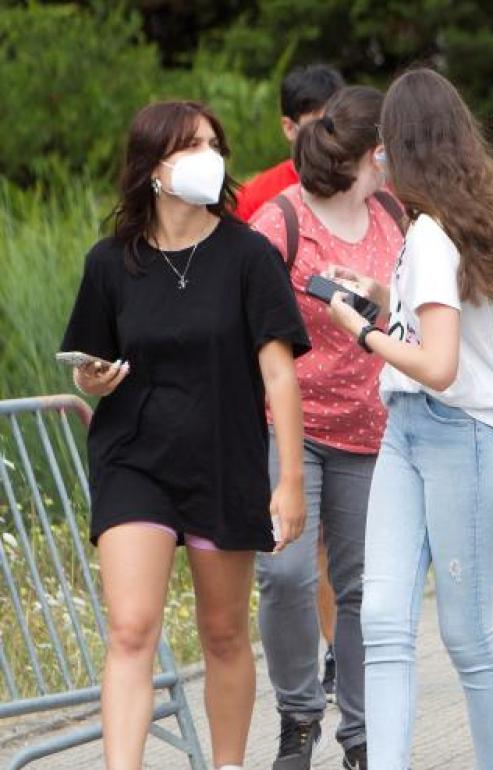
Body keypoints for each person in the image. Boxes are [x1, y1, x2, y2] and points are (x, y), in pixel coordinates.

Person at [59, 101, 310, 770]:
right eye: (191, 146)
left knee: (223, 633)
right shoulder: (109, 262)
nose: (209, 157)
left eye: (213, 145)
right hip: (133, 460)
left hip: (224, 459)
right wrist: (91, 379)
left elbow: (280, 376)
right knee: (130, 629)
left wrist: (289, 479)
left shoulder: (249, 255)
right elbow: (87, 364)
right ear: (153, 167)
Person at [323, 68, 493, 769]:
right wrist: (380, 295)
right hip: (407, 430)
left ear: (401, 145)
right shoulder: (437, 226)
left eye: (383, 142)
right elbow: (436, 320)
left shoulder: (431, 234)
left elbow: (440, 364)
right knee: (382, 621)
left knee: (466, 635)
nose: (377, 157)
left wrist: (361, 331)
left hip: (465, 436)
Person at [248, 86, 405, 770]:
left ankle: (364, 736)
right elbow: (246, 324)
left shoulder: (393, 213)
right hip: (290, 426)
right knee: (284, 573)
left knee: (362, 587)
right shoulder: (280, 222)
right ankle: (299, 715)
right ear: (376, 151)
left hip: (371, 430)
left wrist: (381, 298)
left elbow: (420, 309)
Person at [234, 63, 346, 698]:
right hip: (278, 393)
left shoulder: (367, 189)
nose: (327, 138)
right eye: (314, 126)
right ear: (287, 128)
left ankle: (336, 653)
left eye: (337, 124)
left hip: (348, 395)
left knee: (333, 542)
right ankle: (300, 675)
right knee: (290, 550)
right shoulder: (260, 198)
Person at [235, 65, 345, 223]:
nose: (330, 133)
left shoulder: (363, 187)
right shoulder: (254, 198)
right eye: (319, 125)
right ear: (289, 128)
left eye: (339, 122)